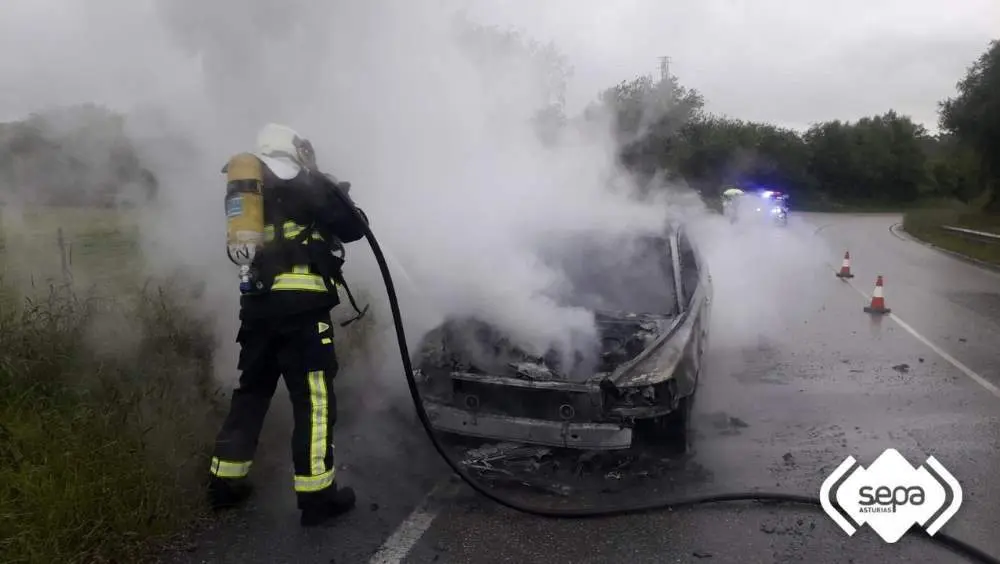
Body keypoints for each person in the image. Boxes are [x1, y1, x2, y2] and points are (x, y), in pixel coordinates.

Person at [209, 123, 369, 527]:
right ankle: (317, 497)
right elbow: (355, 229)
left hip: (258, 308)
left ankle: (225, 483)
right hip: (303, 312)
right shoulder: (307, 181)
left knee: (251, 393)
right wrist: (332, 187)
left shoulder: (250, 186)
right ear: (295, 148)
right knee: (314, 403)